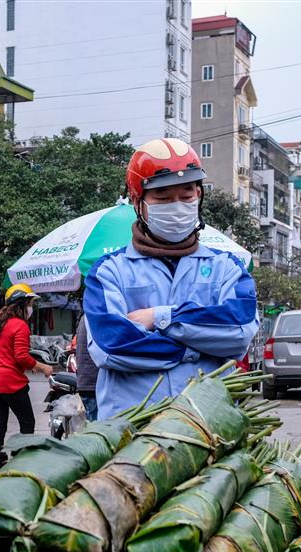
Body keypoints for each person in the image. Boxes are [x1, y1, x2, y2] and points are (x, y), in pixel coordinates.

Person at [84, 138, 259, 418]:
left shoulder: (228, 267)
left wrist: (161, 318)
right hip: (131, 434)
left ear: (199, 195)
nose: (176, 206)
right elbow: (112, 347)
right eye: (163, 198)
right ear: (137, 201)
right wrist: (197, 350)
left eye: (186, 196)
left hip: (209, 428)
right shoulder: (108, 272)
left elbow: (239, 333)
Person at [0, 284, 53, 472]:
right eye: (30, 303)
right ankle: (23, 464)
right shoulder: (20, 325)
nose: (31, 307)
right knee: (27, 423)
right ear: (21, 304)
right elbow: (21, 356)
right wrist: (43, 367)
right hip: (11, 383)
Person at [74, 315, 98, 421]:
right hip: (93, 384)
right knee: (98, 428)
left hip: (86, 382)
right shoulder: (97, 316)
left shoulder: (86, 317)